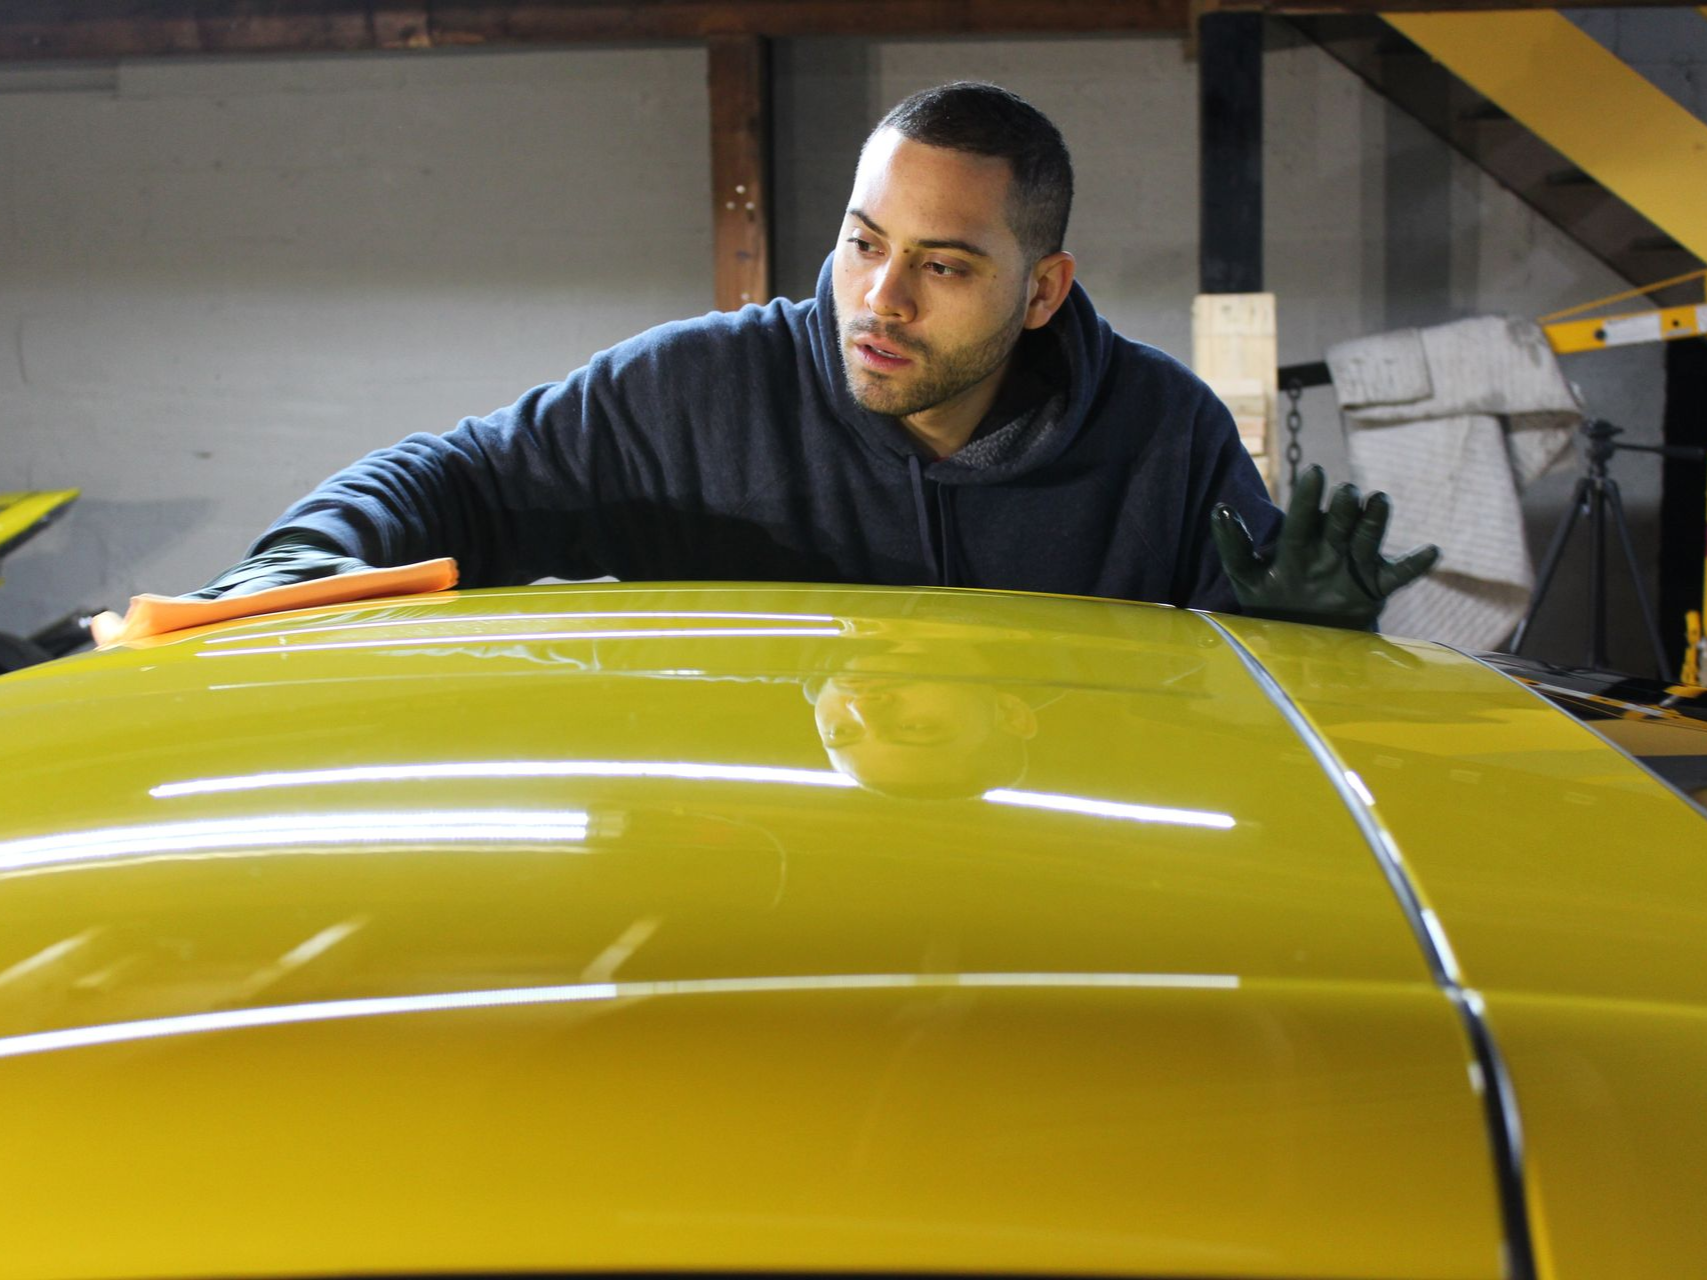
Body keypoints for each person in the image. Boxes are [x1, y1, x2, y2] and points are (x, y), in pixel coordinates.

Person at [190, 82, 1436, 630]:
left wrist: (1311, 649)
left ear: (1044, 289)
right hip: (758, 932)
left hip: (1046, 936)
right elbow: (450, 476)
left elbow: (1242, 727)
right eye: (861, 242)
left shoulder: (1163, 435)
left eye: (944, 266)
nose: (879, 300)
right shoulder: (694, 393)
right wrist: (303, 560)